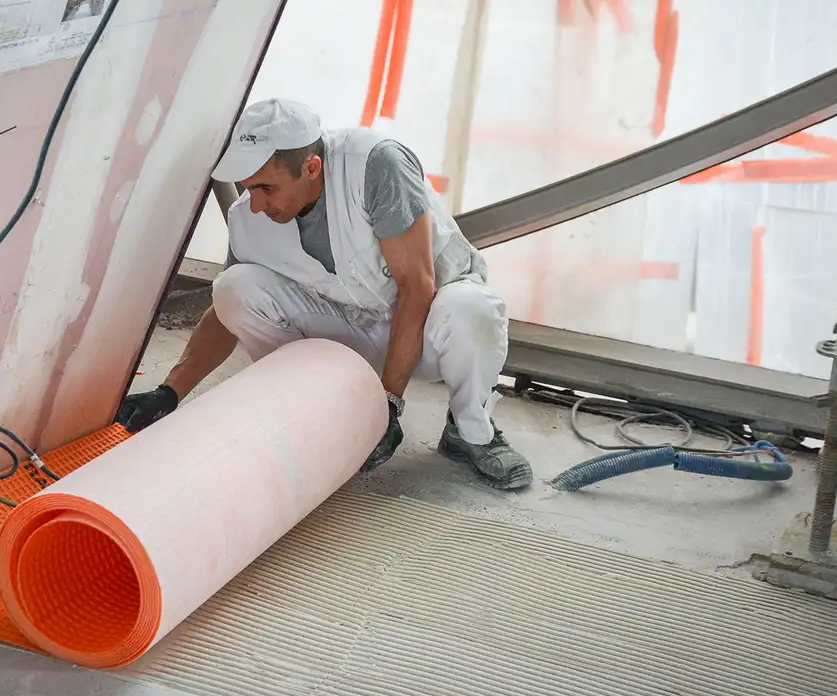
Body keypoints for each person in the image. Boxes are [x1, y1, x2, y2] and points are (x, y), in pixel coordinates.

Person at [115, 98, 533, 490]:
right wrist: (169, 392)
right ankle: (315, 405)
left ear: (311, 167)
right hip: (348, 328)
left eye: (265, 188)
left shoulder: (375, 165)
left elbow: (418, 285)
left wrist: (387, 404)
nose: (255, 204)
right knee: (234, 288)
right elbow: (223, 317)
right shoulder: (251, 217)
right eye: (246, 188)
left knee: (472, 311)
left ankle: (469, 430)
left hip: (427, 328)